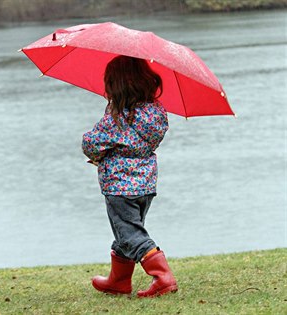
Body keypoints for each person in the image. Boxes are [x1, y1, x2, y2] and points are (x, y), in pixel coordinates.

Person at [82, 55, 178, 298]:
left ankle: (163, 277)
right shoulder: (155, 113)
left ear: (116, 86)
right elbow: (134, 143)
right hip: (145, 185)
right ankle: (118, 281)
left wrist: (100, 152)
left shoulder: (117, 118)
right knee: (127, 231)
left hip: (119, 187)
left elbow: (90, 144)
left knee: (130, 233)